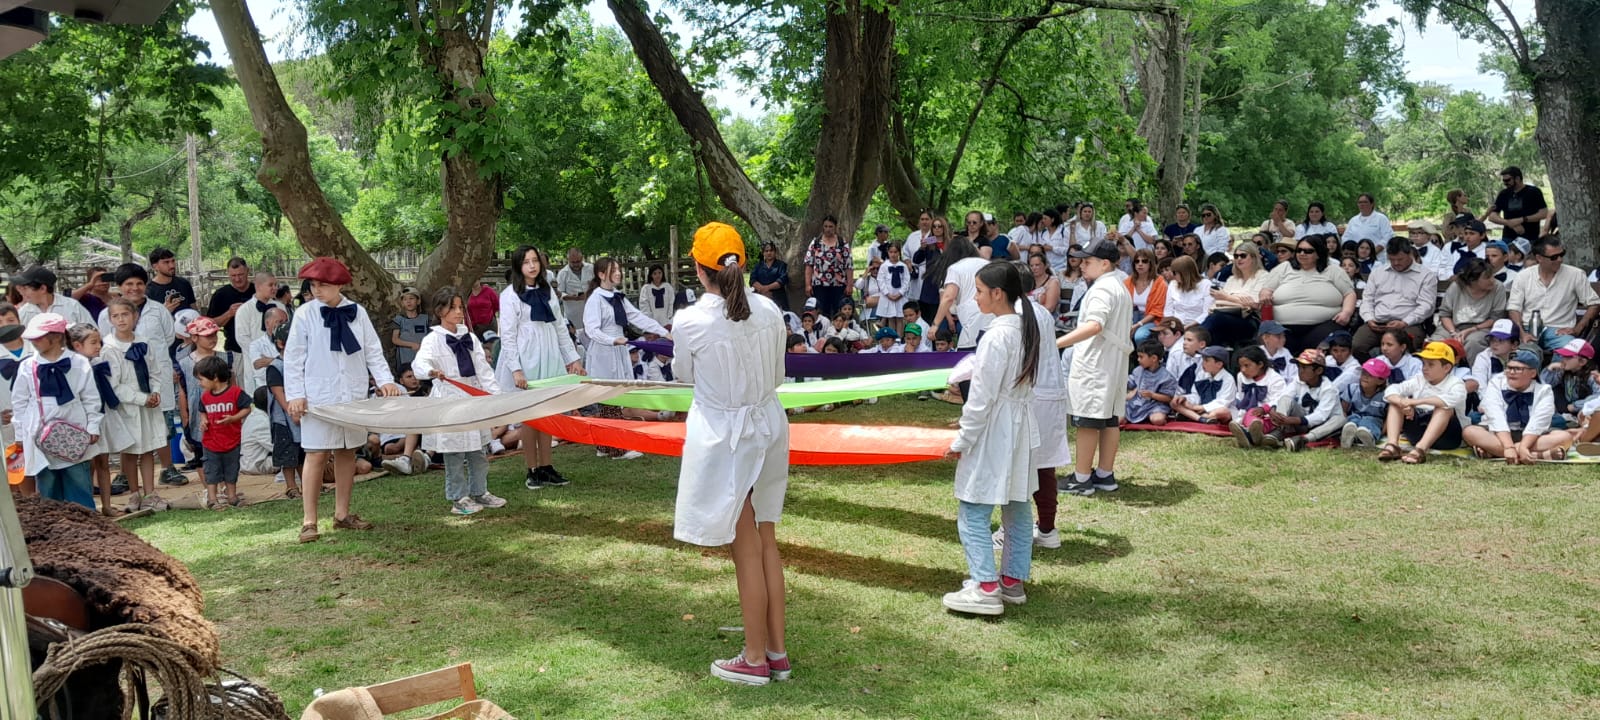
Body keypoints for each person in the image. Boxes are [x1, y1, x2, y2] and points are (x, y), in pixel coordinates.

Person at [670, 222, 792, 685]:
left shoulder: (690, 320)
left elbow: (683, 375)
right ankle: (775, 652)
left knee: (747, 548)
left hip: (728, 435)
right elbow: (778, 376)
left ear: (700, 271)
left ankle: (756, 657)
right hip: (767, 426)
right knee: (765, 540)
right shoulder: (770, 311)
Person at [941, 261, 1040, 617]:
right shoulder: (1027, 327)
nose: (976, 297)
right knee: (1016, 506)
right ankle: (1011, 580)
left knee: (973, 509)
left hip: (998, 428)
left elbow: (981, 397)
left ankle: (985, 586)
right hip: (1018, 427)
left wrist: (962, 439)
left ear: (997, 294)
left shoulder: (999, 334)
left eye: (980, 291)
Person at [285, 257, 402, 543]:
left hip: (351, 392)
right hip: (318, 395)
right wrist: (296, 394)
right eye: (313, 285)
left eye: (322, 285)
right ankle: (309, 520)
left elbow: (372, 349)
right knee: (315, 453)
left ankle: (342, 513)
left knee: (348, 450)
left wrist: (385, 379)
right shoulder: (306, 314)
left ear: (338, 285)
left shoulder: (357, 312)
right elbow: (294, 356)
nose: (316, 290)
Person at [498, 245, 585, 488]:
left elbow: (559, 327)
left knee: (549, 411)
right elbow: (508, 334)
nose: (532, 266)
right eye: (526, 262)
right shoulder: (510, 296)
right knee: (529, 415)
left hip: (550, 356)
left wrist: (572, 358)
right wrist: (516, 368)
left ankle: (547, 466)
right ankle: (532, 468)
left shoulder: (548, 292)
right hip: (527, 357)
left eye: (535, 260)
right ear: (518, 266)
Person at [413, 286, 506, 516]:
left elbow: (483, 370)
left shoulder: (471, 338)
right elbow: (419, 364)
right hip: (449, 400)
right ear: (440, 311)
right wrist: (431, 371)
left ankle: (480, 491)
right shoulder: (433, 339)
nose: (457, 312)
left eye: (459, 307)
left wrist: (497, 398)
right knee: (454, 452)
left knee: (478, 449)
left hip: (472, 398)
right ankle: (458, 496)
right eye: (451, 308)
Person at [1056, 240, 1132, 496]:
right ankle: (1104, 473)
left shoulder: (1102, 289)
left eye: (1087, 262)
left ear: (1105, 264)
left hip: (1096, 361)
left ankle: (1081, 477)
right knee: (1109, 419)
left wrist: (1056, 342)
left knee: (1088, 420)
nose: (1082, 265)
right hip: (1112, 360)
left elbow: (1095, 325)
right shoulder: (1119, 286)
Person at [12, 313, 102, 509]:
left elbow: (91, 398)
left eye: (39, 337)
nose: (34, 341)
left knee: (79, 485)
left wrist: (93, 427)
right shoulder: (28, 366)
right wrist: (20, 435)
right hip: (39, 436)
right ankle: (56, 533)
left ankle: (87, 530)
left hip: (74, 434)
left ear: (56, 336)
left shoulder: (79, 363)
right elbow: (19, 402)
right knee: (47, 489)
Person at [585, 256, 669, 459]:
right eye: (613, 270)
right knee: (608, 397)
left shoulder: (618, 297)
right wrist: (612, 341)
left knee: (615, 396)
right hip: (604, 352)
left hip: (618, 348)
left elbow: (637, 317)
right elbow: (591, 329)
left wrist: (663, 332)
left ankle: (605, 445)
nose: (618, 273)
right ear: (601, 274)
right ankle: (615, 447)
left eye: (619, 270)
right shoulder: (595, 299)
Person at [103, 298, 172, 512]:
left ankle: (150, 493)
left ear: (135, 316)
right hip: (128, 406)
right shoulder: (109, 348)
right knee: (131, 451)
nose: (121, 319)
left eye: (125, 314)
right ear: (110, 320)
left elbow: (155, 371)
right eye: (116, 316)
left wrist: (155, 393)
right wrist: (140, 398)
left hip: (149, 404)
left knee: (149, 448)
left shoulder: (144, 342)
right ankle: (134, 493)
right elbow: (114, 384)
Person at [1464, 349, 1572, 462]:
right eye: (1509, 367)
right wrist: (1508, 446)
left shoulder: (1544, 390)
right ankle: (1537, 455)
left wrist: (1524, 446)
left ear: (1533, 373)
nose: (1511, 372)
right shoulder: (1496, 382)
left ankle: (1496, 453)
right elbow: (1496, 416)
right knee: (1469, 432)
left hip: (1530, 436)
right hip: (1499, 434)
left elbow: (1538, 422)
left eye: (1517, 369)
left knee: (1565, 438)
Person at [68, 323, 130, 516]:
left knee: (103, 462)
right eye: (93, 342)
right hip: (82, 421)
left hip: (101, 416)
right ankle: (88, 508)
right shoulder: (73, 367)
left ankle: (107, 505)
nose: (98, 346)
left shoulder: (97, 364)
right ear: (77, 345)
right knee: (87, 465)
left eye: (100, 342)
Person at [1259, 236, 1356, 353]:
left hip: (1324, 323)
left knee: (1316, 345)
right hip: (1282, 325)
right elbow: (1266, 289)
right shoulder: (1284, 267)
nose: (1302, 253)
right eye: (1299, 250)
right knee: (1268, 339)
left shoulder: (1334, 270)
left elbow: (1349, 294)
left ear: (1319, 253)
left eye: (1308, 251)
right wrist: (1265, 295)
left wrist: (1346, 312)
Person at [1378, 341, 1468, 463]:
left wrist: (1413, 402)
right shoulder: (1419, 379)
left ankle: (1420, 450)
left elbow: (1445, 401)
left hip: (1448, 437)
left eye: (1430, 365)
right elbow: (1391, 390)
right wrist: (1402, 402)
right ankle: (1393, 445)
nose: (1424, 368)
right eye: (1424, 363)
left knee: (1444, 408)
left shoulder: (1457, 383)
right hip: (1418, 430)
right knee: (1395, 404)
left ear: (1446, 368)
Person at [1351, 237, 1437, 357]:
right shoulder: (1378, 273)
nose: (1396, 263)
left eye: (1400, 259)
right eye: (1392, 259)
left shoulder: (1426, 275)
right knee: (1357, 345)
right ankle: (1371, 372)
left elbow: (1427, 305)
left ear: (1409, 254)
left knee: (1403, 347)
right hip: (1378, 322)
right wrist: (1369, 319)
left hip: (1407, 324)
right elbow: (1368, 299)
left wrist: (1405, 322)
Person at [1508, 237, 1599, 345]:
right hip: (1529, 328)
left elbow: (1594, 303)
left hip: (1560, 331)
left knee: (1567, 351)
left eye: (1562, 254)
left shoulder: (1575, 274)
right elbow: (1514, 308)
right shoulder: (1523, 276)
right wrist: (1522, 333)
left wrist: (1577, 329)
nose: (1560, 259)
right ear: (1539, 258)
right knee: (1526, 354)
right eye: (1554, 257)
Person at [1260, 348, 1344, 451]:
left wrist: (1296, 420)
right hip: (1302, 422)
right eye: (1299, 367)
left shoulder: (1329, 389)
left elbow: (1321, 415)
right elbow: (1285, 395)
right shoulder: (1298, 381)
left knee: (1340, 419)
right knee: (1285, 399)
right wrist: (1273, 409)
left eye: (1304, 368)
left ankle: (1304, 439)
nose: (1300, 371)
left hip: (1321, 426)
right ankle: (1278, 431)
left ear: (1319, 370)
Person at [193, 355, 248, 509]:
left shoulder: (236, 393)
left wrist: (234, 418)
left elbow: (247, 408)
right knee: (212, 470)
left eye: (202, 379)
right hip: (211, 442)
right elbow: (202, 410)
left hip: (232, 440)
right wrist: (203, 420)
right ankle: (212, 499)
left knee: (231, 469)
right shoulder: (205, 397)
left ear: (215, 377)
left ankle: (232, 496)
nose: (200, 383)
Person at [1431, 258, 1508, 361]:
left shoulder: (1498, 287)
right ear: (1473, 281)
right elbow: (1445, 314)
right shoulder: (1456, 287)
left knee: (1473, 343)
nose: (1492, 280)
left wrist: (1472, 329)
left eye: (1492, 276)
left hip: (1482, 327)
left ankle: (1474, 373)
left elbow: (1496, 317)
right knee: (1436, 342)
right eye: (1487, 277)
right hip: (1453, 326)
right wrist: (1453, 333)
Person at [262, 324, 304, 499]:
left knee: (304, 452)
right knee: (287, 453)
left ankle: (308, 482)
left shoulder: (302, 363)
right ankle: (291, 486)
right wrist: (291, 411)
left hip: (303, 414)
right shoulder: (275, 366)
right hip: (283, 419)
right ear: (281, 343)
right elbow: (278, 392)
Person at [931, 230, 989, 352]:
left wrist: (935, 324)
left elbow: (948, 297)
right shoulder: (987, 264)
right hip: (993, 315)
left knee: (966, 356)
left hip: (971, 319)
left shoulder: (955, 268)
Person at [1202, 241, 1267, 346]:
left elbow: (1255, 303)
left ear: (1254, 257)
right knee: (1215, 323)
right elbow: (1219, 302)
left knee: (1216, 320)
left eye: (1243, 256)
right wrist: (1240, 300)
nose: (1239, 259)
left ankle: (1197, 341)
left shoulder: (1263, 276)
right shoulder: (1232, 279)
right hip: (1226, 315)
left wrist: (1227, 297)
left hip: (1250, 319)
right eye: (1236, 256)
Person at [1223, 345, 1289, 443]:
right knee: (1248, 413)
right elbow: (1241, 396)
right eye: (1241, 366)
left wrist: (1264, 409)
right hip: (1248, 410)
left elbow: (1279, 399)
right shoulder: (1241, 376)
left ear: (1260, 364)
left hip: (1269, 413)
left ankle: (1249, 433)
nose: (1243, 370)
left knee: (1258, 417)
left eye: (1247, 365)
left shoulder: (1275, 379)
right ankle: (1253, 432)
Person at [232, 272, 284, 394]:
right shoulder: (244, 310)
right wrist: (261, 354)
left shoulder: (280, 307)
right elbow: (242, 338)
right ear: (259, 286)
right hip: (255, 360)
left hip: (278, 357)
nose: (275, 288)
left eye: (276, 285)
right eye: (271, 285)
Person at [14, 265, 95, 331]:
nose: (22, 293)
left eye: (25, 288)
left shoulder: (72, 307)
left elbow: (92, 333)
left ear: (42, 288)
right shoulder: (25, 312)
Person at [803, 215, 854, 317]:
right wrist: (808, 284)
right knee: (822, 312)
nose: (828, 229)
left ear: (835, 227)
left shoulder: (842, 243)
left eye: (830, 226)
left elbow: (849, 266)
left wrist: (849, 285)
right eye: (825, 226)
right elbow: (809, 265)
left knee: (839, 313)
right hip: (819, 285)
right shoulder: (816, 243)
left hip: (838, 285)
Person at [1172, 345, 1237, 423]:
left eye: (1206, 360)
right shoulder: (1201, 374)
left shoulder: (1228, 379)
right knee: (1174, 402)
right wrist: (1186, 399)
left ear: (1219, 364)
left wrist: (1201, 407)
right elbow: (1196, 395)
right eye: (1203, 360)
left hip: (1217, 409)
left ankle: (1192, 416)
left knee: (1221, 411)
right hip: (1200, 407)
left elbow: (1223, 402)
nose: (1203, 363)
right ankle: (1202, 419)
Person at [204, 257, 255, 354]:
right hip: (233, 349)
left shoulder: (258, 291)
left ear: (248, 271)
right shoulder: (220, 295)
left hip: (258, 348)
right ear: (228, 273)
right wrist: (229, 314)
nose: (237, 279)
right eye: (233, 275)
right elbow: (210, 324)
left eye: (241, 275)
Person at [1339, 357, 1392, 448]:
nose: (1365, 377)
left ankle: (1370, 438)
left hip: (1375, 420)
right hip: (1355, 416)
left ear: (1381, 381)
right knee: (1352, 420)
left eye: (1370, 375)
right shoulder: (1352, 389)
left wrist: (1383, 432)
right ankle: (1348, 437)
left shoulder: (1386, 395)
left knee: (1369, 421)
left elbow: (1389, 417)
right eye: (1364, 373)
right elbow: (1343, 410)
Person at [1486, 166, 1548, 242]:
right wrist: (1509, 223)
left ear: (1517, 179)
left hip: (1530, 238)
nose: (1505, 183)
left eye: (1508, 180)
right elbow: (1492, 216)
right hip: (1508, 238)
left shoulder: (1534, 192)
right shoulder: (1503, 194)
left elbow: (1544, 213)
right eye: (1504, 181)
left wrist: (1522, 219)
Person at [1542, 339, 1598, 423]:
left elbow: (1598, 397)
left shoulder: (1592, 376)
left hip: (1582, 410)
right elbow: (1543, 386)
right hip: (1566, 406)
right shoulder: (1564, 371)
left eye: (1568, 357)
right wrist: (1550, 368)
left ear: (1582, 361)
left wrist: (1575, 406)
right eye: (1563, 356)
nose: (1563, 359)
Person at [1125, 339, 1179, 425]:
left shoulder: (1166, 376)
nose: (1138, 360)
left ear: (1154, 358)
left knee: (1157, 420)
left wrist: (1152, 395)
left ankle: (1162, 416)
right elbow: (1130, 383)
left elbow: (1168, 398)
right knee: (1118, 418)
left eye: (1141, 357)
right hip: (1136, 403)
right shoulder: (1138, 370)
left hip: (1155, 405)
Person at [1125, 249, 1167, 345]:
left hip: (1152, 319)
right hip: (1131, 316)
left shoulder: (1160, 282)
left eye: (1144, 261)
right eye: (1137, 261)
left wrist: (1138, 324)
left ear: (1151, 264)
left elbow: (1157, 311)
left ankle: (1143, 358)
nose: (1140, 264)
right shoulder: (1128, 281)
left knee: (1140, 335)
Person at [1161, 256, 1213, 329]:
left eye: (1174, 273)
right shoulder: (1173, 284)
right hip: (1175, 326)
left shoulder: (1206, 285)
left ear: (1185, 273)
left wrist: (1188, 326)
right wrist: (1173, 327)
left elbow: (1207, 313)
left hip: (1197, 326)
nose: (1172, 275)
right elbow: (1168, 311)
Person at [555, 248, 595, 335]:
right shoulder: (563, 273)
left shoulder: (591, 268)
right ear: (568, 260)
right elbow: (559, 293)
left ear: (582, 258)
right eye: (573, 262)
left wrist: (592, 289)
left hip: (592, 309)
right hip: (573, 313)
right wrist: (572, 297)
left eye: (578, 261)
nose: (576, 264)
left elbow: (599, 285)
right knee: (577, 338)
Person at [145, 248, 197, 314]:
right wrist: (164, 311)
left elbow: (194, 309)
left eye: (173, 261)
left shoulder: (184, 283)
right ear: (155, 266)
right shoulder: (148, 291)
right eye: (166, 262)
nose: (172, 265)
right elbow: (148, 320)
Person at [874, 243, 910, 335]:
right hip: (888, 297)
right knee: (891, 317)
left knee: (899, 318)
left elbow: (906, 281)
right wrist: (887, 294)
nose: (893, 254)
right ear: (888, 252)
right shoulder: (884, 266)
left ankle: (899, 339)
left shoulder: (903, 266)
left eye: (895, 252)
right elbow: (880, 281)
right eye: (891, 252)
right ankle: (892, 338)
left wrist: (900, 293)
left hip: (900, 296)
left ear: (899, 253)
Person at [391, 287, 429, 372]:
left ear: (418, 301)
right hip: (405, 357)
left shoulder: (425, 319)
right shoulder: (399, 320)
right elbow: (395, 339)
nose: (408, 301)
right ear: (402, 303)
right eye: (405, 299)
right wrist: (412, 344)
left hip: (423, 357)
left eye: (411, 298)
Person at [750, 242, 791, 312]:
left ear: (775, 252)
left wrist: (767, 288)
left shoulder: (781, 265)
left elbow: (782, 280)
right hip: (760, 297)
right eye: (766, 251)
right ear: (763, 253)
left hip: (777, 298)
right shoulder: (758, 266)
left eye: (771, 250)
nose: (769, 253)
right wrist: (763, 291)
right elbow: (752, 280)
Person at [637, 265, 677, 329]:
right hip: (651, 320)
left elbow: (671, 301)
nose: (658, 275)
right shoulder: (646, 288)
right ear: (651, 275)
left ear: (662, 274)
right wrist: (650, 318)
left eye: (659, 273)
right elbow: (643, 304)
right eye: (655, 273)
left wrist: (669, 315)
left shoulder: (667, 286)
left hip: (666, 319)